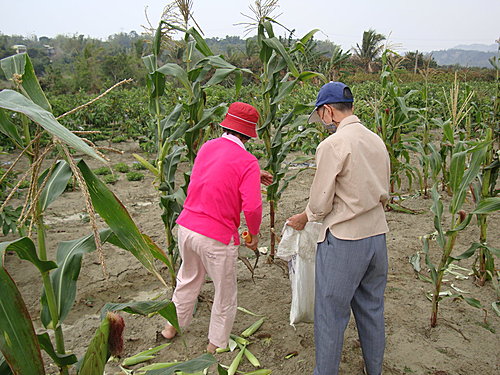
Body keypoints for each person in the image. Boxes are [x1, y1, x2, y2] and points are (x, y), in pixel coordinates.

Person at [287, 82, 390, 375]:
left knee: (330, 314)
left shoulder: (333, 145)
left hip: (345, 240)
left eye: (321, 115)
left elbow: (320, 202)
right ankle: (375, 370)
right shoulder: (376, 140)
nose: (322, 122)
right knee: (371, 310)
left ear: (328, 111)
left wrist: (304, 217)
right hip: (377, 236)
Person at [161, 102, 272, 354]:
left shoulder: (208, 147)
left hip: (187, 227)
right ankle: (215, 344)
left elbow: (217, 172)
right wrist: (253, 234)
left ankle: (170, 328)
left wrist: (255, 172)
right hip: (216, 236)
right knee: (225, 291)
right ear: (249, 134)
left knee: (187, 280)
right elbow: (252, 208)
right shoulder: (247, 161)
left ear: (227, 125)